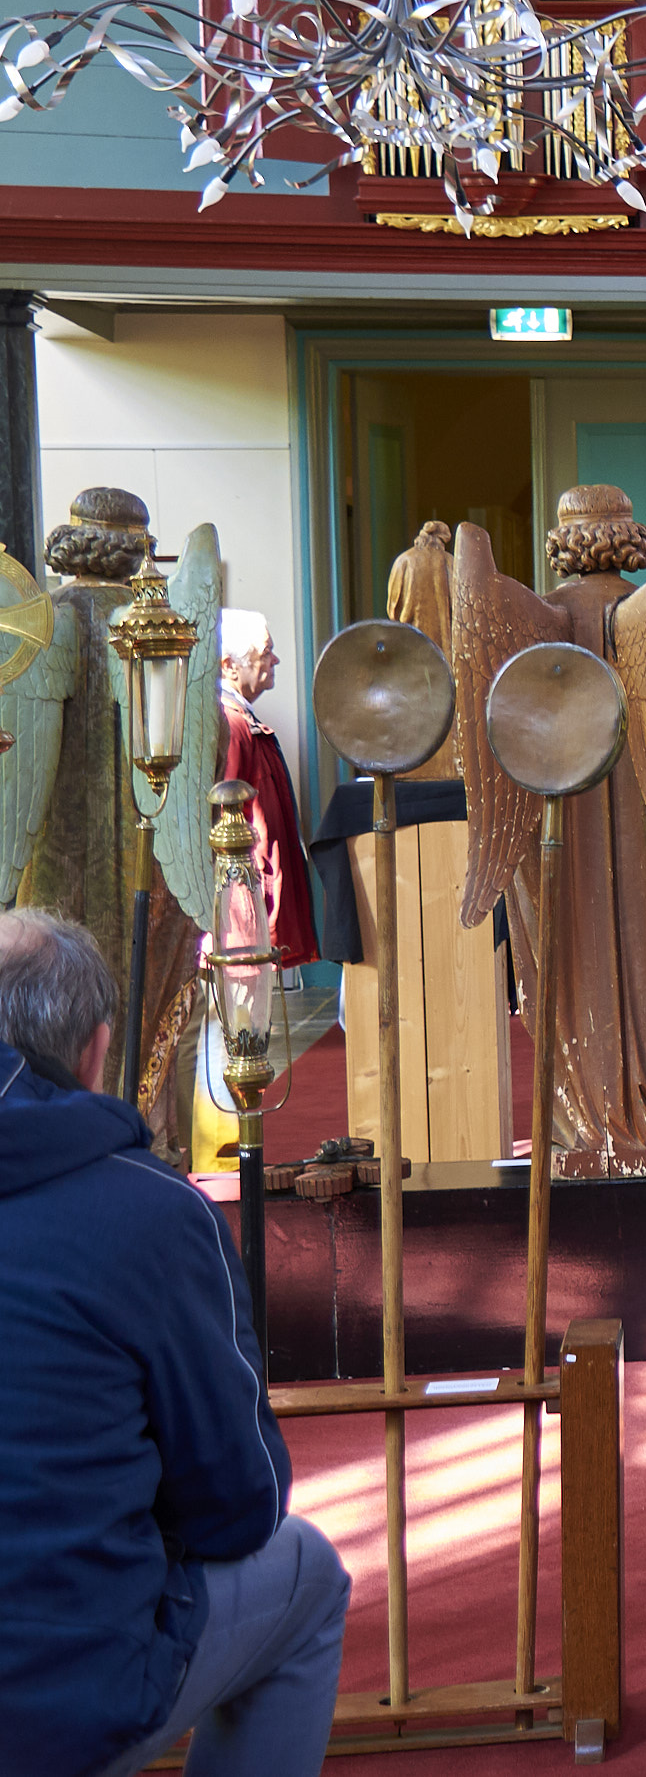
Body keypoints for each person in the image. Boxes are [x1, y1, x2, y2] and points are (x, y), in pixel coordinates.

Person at [0, 908, 350, 1777]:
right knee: (305, 1577)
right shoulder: (147, 1209)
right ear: (96, 1051)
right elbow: (238, 1502)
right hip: (56, 1697)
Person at [212, 612, 318, 970]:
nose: (275, 660)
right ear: (229, 666)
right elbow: (225, 824)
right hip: (244, 902)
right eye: (266, 651)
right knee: (240, 1011)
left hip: (255, 892)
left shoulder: (243, 721)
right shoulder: (232, 724)